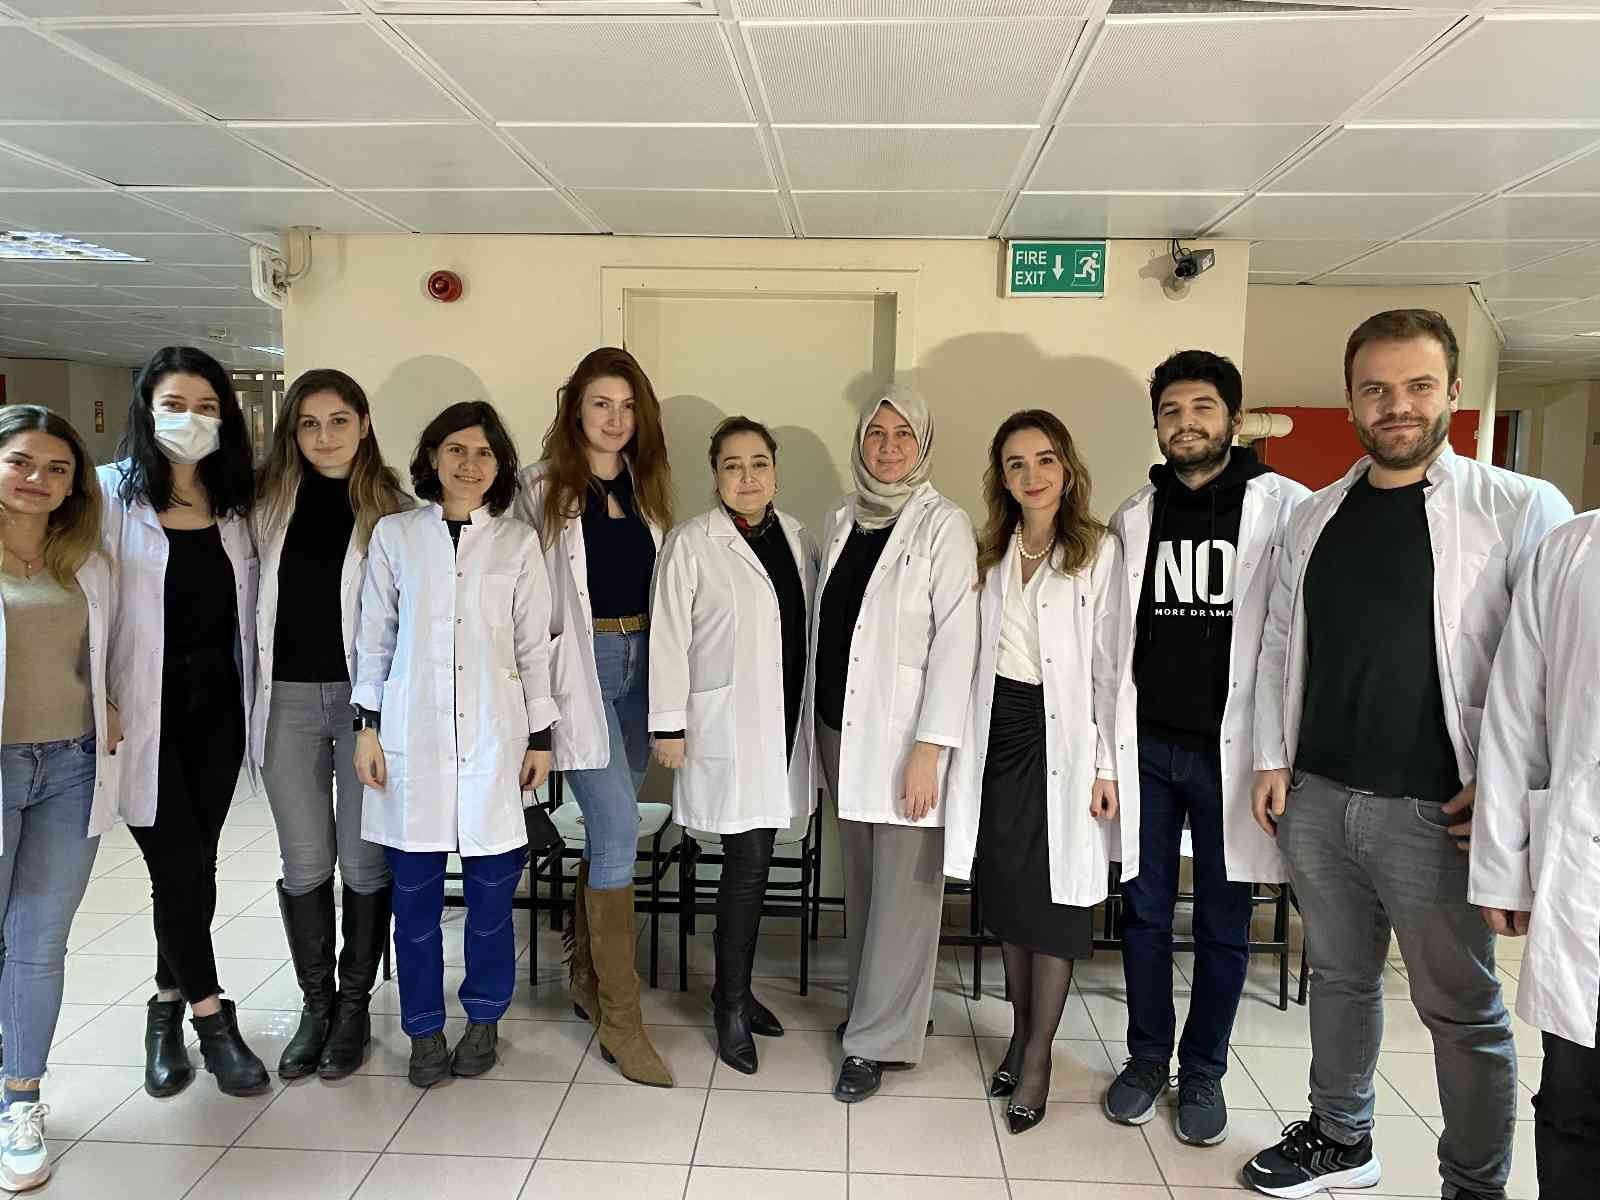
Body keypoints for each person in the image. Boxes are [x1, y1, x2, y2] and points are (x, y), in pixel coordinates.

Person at [1242, 310, 1574, 1200]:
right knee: (1340, 980)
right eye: (1377, 389)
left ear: (1454, 392)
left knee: (1461, 1012)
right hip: (1320, 797)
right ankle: (1340, 1138)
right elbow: (1281, 642)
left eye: (1418, 386)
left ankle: (1473, 1184)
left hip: (1438, 810)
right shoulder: (1315, 514)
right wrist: (1272, 756)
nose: (1398, 406)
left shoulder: (1519, 508)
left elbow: (1557, 666)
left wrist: (1511, 791)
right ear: (1352, 399)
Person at [1103, 351, 1310, 1146]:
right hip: (1149, 749)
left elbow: (1295, 640)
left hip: (1237, 756)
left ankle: (1204, 1071)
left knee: (1226, 920)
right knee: (1145, 913)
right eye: (1171, 411)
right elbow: (1114, 641)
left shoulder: (1285, 508)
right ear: (1156, 423)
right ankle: (1146, 1058)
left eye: (1202, 408)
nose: (1185, 424)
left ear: (1233, 417)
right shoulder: (1134, 515)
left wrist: (1279, 753)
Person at [353, 400, 557, 1089]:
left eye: (484, 453)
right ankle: (422, 1029)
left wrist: (541, 736)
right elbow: (375, 636)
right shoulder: (396, 536)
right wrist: (367, 727)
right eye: (456, 450)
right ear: (432, 458)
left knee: (491, 902)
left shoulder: (517, 543)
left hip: (497, 741)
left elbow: (533, 646)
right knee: (414, 904)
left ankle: (485, 1017)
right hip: (409, 740)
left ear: (500, 465)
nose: (470, 464)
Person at [945, 409, 1133, 1136]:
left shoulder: (1097, 551)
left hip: (1065, 741)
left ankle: (1038, 1059)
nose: (1032, 475)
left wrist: (1106, 765)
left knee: (1055, 905)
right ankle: (1021, 1034)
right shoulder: (989, 550)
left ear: (1067, 467)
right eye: (1016, 463)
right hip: (997, 735)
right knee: (1010, 896)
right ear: (1001, 477)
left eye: (1044, 459)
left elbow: (1112, 667)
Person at [101, 346, 269, 1098]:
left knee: (195, 867)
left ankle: (163, 1008)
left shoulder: (237, 504)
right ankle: (211, 1018)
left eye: (206, 407)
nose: (190, 420)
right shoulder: (108, 496)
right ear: (146, 409)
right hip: (143, 715)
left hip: (219, 714)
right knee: (173, 865)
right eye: (173, 405)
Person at [515, 347, 674, 1088]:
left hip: (644, 667)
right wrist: (532, 713)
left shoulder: (650, 490)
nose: (615, 419)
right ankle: (622, 1020)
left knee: (612, 832)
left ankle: (584, 977)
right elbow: (520, 605)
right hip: (579, 672)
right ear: (575, 408)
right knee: (615, 829)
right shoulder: (539, 489)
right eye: (601, 404)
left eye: (628, 406)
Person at [815, 386, 979, 1105]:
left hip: (905, 737)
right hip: (838, 730)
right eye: (876, 434)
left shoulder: (945, 525)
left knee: (905, 891)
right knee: (863, 881)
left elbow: (957, 642)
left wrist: (930, 747)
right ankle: (879, 1010)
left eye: (902, 434)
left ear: (924, 443)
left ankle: (877, 1041)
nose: (887, 448)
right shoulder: (841, 517)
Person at [649, 417, 818, 1075]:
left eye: (758, 464)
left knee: (757, 855)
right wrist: (668, 725)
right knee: (747, 861)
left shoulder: (798, 537)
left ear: (775, 470)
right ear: (715, 474)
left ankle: (737, 992)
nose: (747, 477)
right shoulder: (692, 542)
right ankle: (729, 1004)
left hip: (783, 724)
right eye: (732, 465)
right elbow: (668, 635)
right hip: (724, 724)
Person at [252, 369, 408, 1081]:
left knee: (363, 860)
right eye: (309, 423)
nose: (324, 436)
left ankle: (353, 1007)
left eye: (339, 420)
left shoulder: (393, 511)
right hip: (284, 699)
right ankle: (316, 1006)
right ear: (293, 431)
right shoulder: (264, 505)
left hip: (364, 706)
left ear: (364, 424)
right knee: (305, 860)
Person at [0, 407, 122, 1192]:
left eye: (57, 468)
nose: (37, 480)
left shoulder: (88, 562)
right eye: (20, 462)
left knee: (38, 944)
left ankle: (21, 1100)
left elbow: (103, 652)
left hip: (71, 767)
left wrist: (106, 699)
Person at [1470, 510, 1600, 1200]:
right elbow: (1517, 713)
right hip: (1588, 877)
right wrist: (1503, 868)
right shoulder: (1574, 548)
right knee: (1574, 1104)